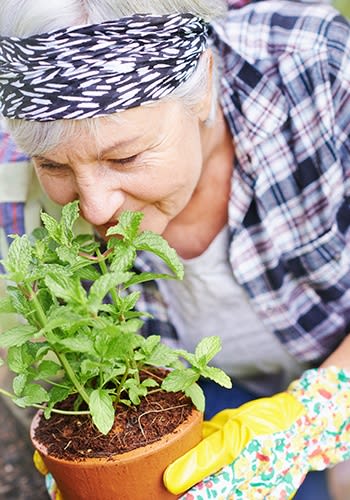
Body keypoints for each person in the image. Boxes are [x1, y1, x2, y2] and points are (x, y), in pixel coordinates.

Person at [0, 0, 349, 498]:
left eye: (124, 156)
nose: (96, 209)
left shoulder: (316, 69)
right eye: (53, 166)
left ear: (203, 84)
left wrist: (317, 416)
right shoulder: (14, 186)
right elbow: (55, 363)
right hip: (191, 396)